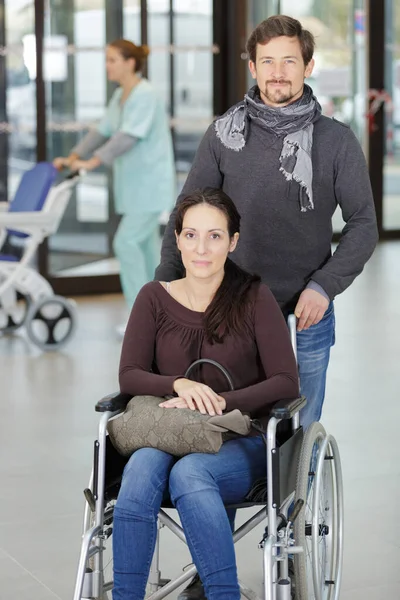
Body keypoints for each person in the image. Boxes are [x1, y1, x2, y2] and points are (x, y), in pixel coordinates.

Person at [155, 15, 378, 431]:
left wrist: (323, 287)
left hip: (306, 306)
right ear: (253, 67)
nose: (278, 72)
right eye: (268, 61)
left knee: (301, 424)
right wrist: (167, 286)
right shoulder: (223, 134)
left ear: (308, 66)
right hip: (232, 301)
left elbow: (363, 224)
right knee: (237, 419)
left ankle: (296, 490)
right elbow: (185, 215)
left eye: (289, 61)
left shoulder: (336, 140)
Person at [113, 188, 299, 600]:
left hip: (238, 437)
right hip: (169, 431)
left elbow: (287, 382)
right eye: (191, 235)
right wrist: (179, 385)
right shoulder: (153, 297)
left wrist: (220, 402)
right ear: (177, 239)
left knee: (190, 472)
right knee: (141, 467)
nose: (202, 248)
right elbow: (129, 376)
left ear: (232, 242)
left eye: (215, 236)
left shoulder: (254, 298)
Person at [53, 39, 175, 324]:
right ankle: (159, 316)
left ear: (130, 63)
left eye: (111, 60)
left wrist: (92, 162)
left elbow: (127, 137)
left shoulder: (145, 94)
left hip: (150, 187)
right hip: (133, 189)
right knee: (144, 251)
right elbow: (102, 130)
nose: (106, 66)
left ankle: (140, 318)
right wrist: (73, 155)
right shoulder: (122, 94)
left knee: (126, 243)